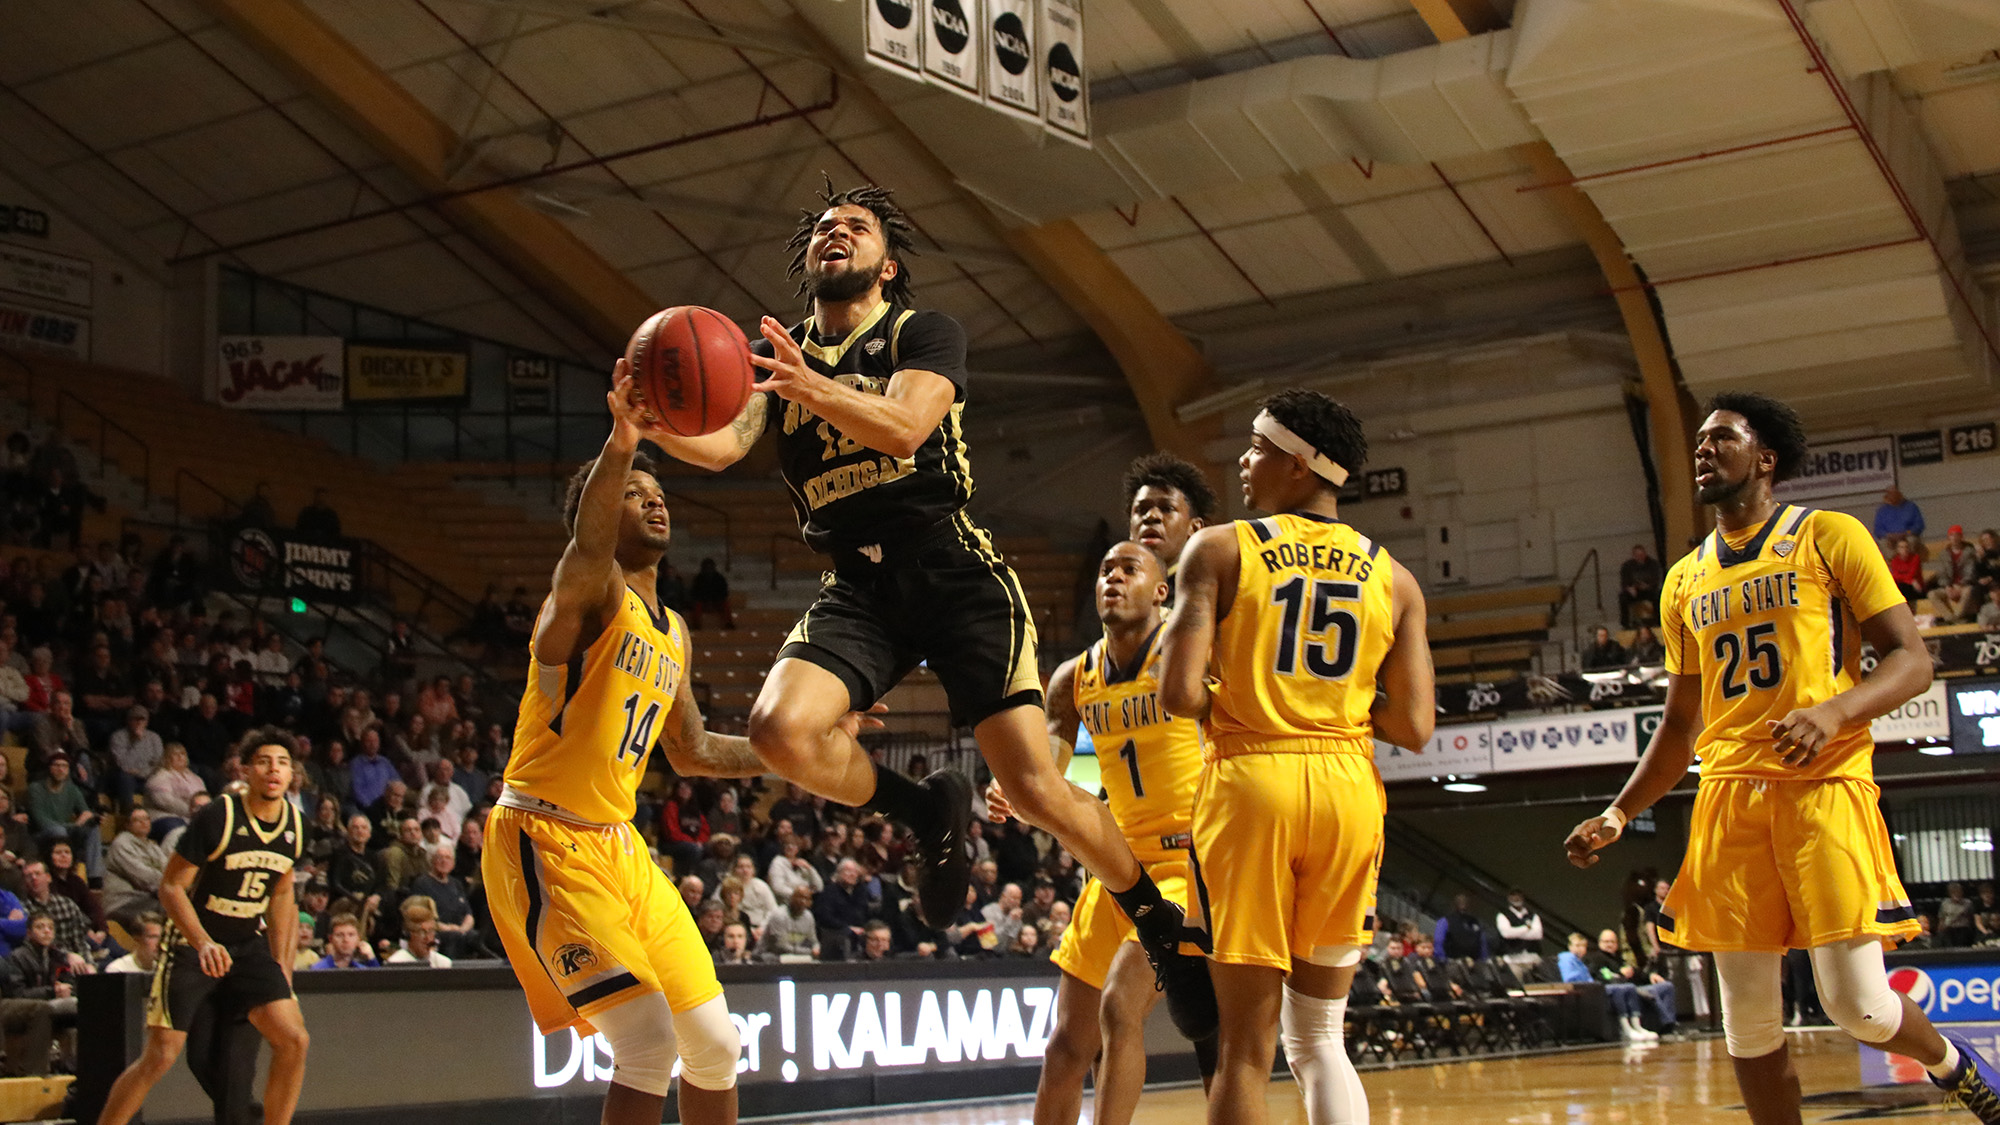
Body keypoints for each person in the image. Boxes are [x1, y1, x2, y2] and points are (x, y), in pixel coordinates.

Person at [645, 178, 1214, 1037]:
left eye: (857, 226)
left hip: (951, 569)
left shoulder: (920, 331)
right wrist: (647, 421)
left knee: (1033, 784)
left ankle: (1156, 920)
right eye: (824, 227)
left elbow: (907, 428)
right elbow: (724, 444)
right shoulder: (782, 354)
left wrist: (813, 388)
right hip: (858, 585)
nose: (836, 232)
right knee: (778, 731)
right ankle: (925, 807)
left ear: (888, 264)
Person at [1564, 391, 2000, 1123]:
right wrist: (1618, 812)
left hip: (1823, 787)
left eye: (1721, 437)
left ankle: (1956, 1065)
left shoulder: (1827, 535)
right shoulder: (1682, 580)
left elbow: (1913, 660)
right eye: (1698, 441)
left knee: (1858, 1006)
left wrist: (1834, 710)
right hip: (1728, 797)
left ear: (1765, 457)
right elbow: (1677, 727)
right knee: (1749, 1024)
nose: (1703, 449)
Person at [484, 379, 843, 1125]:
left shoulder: (672, 628)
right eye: (633, 492)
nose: (655, 501)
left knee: (714, 1041)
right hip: (544, 836)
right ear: (599, 511)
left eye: (660, 491)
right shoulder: (586, 592)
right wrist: (621, 441)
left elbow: (697, 752)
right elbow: (585, 546)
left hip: (620, 846)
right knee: (645, 1040)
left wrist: (801, 751)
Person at [1159, 388, 1434, 1125]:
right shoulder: (1395, 577)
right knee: (1319, 1035)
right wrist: (1328, 697)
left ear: (1298, 463)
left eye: (1256, 448)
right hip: (1347, 785)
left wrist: (1252, 688)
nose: (1243, 462)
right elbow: (1413, 724)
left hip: (1252, 776)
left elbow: (1180, 693)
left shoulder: (1218, 548)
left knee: (1244, 1047)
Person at [993, 533, 1215, 1125]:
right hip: (1116, 864)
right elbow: (1050, 780)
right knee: (1066, 1046)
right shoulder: (1073, 677)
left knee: (1122, 1004)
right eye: (1105, 570)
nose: (1112, 578)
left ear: (1162, 590)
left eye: (1129, 569)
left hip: (1187, 868)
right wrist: (1014, 791)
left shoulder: (1190, 647)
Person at [94, 732, 312, 1125]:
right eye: (263, 761)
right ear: (246, 770)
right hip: (192, 946)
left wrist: (282, 962)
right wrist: (204, 943)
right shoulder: (219, 816)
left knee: (294, 1040)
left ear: (292, 772)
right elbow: (171, 887)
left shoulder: (296, 825)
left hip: (247, 942)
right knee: (161, 1055)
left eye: (282, 762)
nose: (274, 769)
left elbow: (281, 895)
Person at [26, 753, 99, 880]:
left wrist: (90, 818)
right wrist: (74, 825)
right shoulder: (35, 788)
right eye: (57, 765)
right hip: (40, 834)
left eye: (65, 766)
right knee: (58, 830)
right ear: (49, 768)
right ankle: (59, 873)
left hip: (66, 831)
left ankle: (94, 876)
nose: (61, 769)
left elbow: (85, 813)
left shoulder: (72, 789)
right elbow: (41, 821)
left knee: (93, 829)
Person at [104, 808, 168, 925]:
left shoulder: (152, 846)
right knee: (171, 907)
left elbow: (168, 868)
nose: (144, 823)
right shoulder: (121, 844)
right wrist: (169, 883)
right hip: (123, 901)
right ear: (127, 825)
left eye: (146, 819)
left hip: (147, 897)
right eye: (138, 820)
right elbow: (142, 877)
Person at [1931, 526, 1981, 622]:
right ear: (1948, 538)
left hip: (1964, 585)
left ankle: (1958, 616)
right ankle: (1950, 617)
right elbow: (1942, 573)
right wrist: (1947, 586)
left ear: (1961, 537)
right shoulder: (1944, 554)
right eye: (1951, 535)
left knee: (1968, 591)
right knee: (1932, 594)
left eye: (1956, 535)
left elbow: (1970, 571)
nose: (1954, 538)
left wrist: (1959, 585)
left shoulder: (1969, 552)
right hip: (1949, 586)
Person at [385, 898, 451, 967]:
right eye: (422, 933)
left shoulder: (443, 963)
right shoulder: (396, 963)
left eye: (431, 932)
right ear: (409, 935)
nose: (429, 939)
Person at [1495, 889, 1544, 974]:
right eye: (1513, 895)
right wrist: (1527, 928)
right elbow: (1507, 934)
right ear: (1509, 898)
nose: (1516, 898)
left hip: (1532, 958)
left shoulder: (1533, 915)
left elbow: (1538, 934)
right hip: (1513, 960)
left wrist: (1516, 932)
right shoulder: (1502, 915)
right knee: (1516, 986)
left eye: (1518, 895)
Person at [1434, 892, 1489, 961]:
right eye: (1461, 903)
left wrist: (1482, 962)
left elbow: (1483, 947)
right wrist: (1442, 959)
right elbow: (1438, 942)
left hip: (1470, 964)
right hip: (1451, 961)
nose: (1463, 906)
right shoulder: (1446, 921)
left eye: (1464, 903)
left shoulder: (1475, 923)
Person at [105, 910, 165, 974]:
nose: (159, 943)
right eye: (153, 937)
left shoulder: (167, 969)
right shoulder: (117, 970)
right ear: (137, 940)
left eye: (161, 937)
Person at [309, 914, 375, 970]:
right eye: (339, 935)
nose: (346, 940)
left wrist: (372, 959)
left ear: (358, 939)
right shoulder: (318, 969)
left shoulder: (362, 970)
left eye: (351, 935)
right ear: (331, 939)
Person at [1620, 545, 1663, 627]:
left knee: (1658, 596)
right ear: (1634, 556)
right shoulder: (1627, 566)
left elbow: (1657, 579)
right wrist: (1629, 588)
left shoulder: (1653, 564)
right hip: (1634, 591)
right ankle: (1625, 624)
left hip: (1650, 590)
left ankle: (1659, 622)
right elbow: (1624, 581)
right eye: (1637, 555)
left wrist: (1648, 586)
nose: (1640, 557)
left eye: (1641, 555)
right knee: (1623, 598)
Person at [688, 559, 733, 630]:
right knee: (697, 605)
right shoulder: (699, 579)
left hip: (717, 601)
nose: (708, 569)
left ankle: (729, 623)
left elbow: (724, 593)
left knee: (725, 604)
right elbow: (695, 593)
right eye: (706, 567)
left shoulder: (720, 578)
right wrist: (706, 601)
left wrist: (714, 600)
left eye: (710, 567)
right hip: (703, 602)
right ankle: (696, 624)